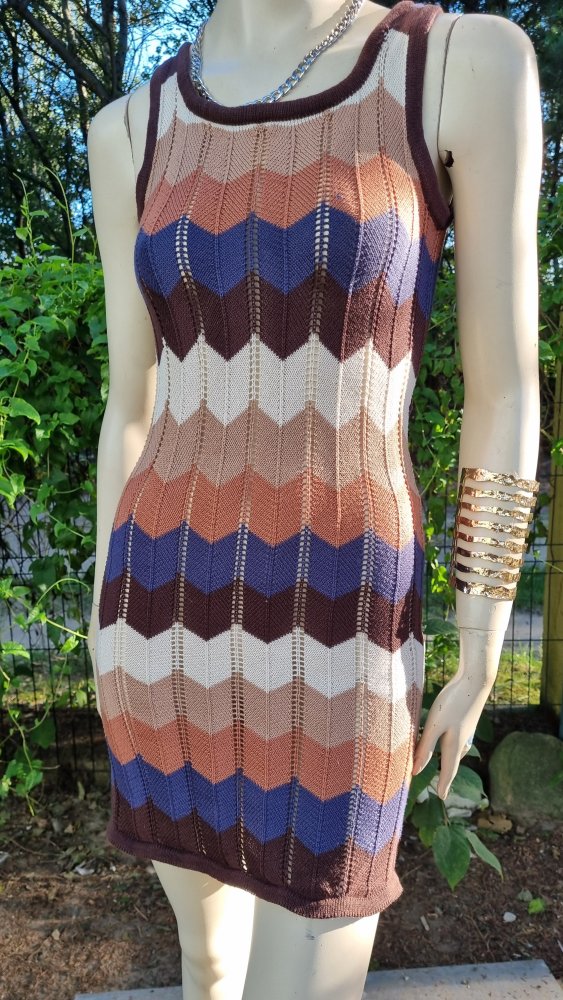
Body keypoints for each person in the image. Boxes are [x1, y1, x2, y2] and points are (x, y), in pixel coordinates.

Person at [86, 1, 542, 997]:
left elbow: (504, 390)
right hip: (155, 622)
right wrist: (97, 615)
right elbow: (132, 406)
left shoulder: (452, 67)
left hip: (346, 635)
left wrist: (480, 631)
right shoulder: (130, 129)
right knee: (206, 963)